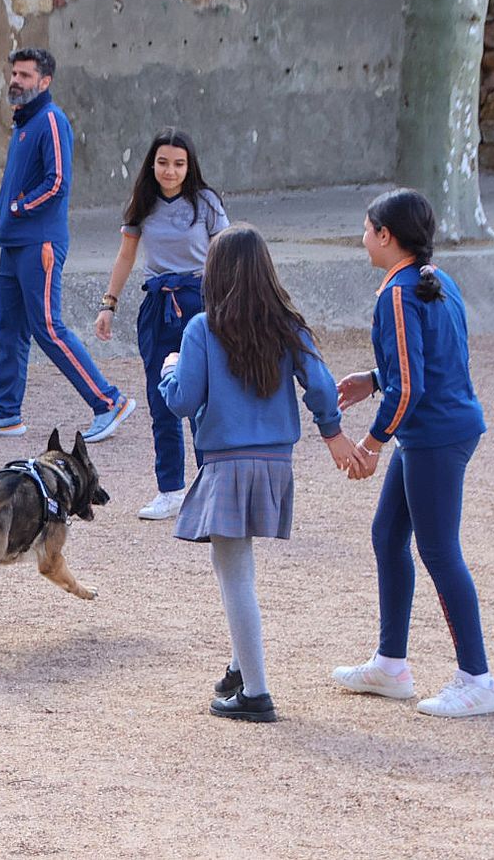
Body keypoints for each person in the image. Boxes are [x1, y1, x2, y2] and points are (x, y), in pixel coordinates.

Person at [158, 224, 355, 723]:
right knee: (237, 570)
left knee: (234, 574)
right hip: (275, 462)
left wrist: (169, 367)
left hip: (226, 461)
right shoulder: (287, 324)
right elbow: (324, 386)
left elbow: (183, 400)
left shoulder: (203, 328)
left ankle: (257, 691)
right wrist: (332, 433)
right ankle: (237, 666)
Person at [331, 189, 494, 718]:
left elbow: (409, 387)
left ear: (385, 236)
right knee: (388, 535)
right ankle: (391, 664)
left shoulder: (399, 295)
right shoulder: (435, 280)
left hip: (433, 435)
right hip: (435, 431)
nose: (362, 239)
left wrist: (370, 443)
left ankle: (477, 678)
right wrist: (371, 379)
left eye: (366, 230)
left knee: (438, 549)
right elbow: (428, 363)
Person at [0, 47, 136, 443]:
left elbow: (57, 184)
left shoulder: (51, 120)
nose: (16, 81)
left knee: (49, 328)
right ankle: (5, 413)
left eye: (25, 75)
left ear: (45, 81)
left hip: (40, 243)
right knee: (9, 327)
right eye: (14, 74)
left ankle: (109, 401)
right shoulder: (24, 123)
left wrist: (17, 207)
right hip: (14, 243)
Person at [95, 128, 229, 520]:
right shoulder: (143, 202)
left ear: (190, 166)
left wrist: (230, 304)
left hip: (202, 303)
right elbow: (125, 256)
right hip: (157, 305)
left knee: (205, 398)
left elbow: (227, 254)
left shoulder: (206, 203)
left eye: (179, 163)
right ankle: (170, 489)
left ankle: (213, 486)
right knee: (162, 399)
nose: (170, 171)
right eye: (163, 162)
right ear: (152, 164)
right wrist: (109, 304)